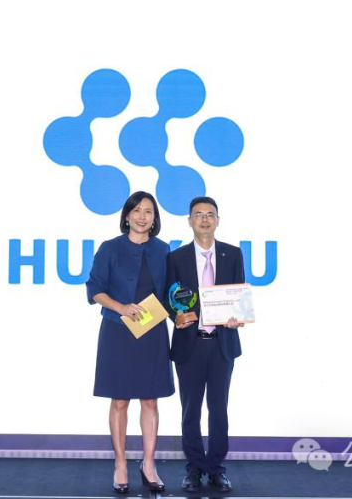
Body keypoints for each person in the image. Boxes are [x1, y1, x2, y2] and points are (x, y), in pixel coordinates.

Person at [86, 191, 174, 494]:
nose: (142, 216)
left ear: (155, 218)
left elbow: (171, 292)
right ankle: (121, 464)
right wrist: (121, 307)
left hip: (152, 332)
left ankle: (148, 464)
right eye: (136, 210)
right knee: (120, 400)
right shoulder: (109, 248)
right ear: (126, 216)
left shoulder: (163, 249)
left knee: (150, 400)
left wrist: (184, 313)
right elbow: (95, 288)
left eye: (148, 211)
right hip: (118, 331)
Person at [166, 196, 244, 493]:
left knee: (219, 409)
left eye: (210, 214)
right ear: (190, 221)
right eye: (198, 214)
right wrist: (176, 316)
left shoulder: (233, 254)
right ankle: (194, 468)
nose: (204, 219)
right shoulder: (176, 257)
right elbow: (168, 297)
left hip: (222, 343)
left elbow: (238, 293)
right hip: (190, 344)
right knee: (190, 411)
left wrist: (237, 316)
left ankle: (216, 469)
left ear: (218, 220)